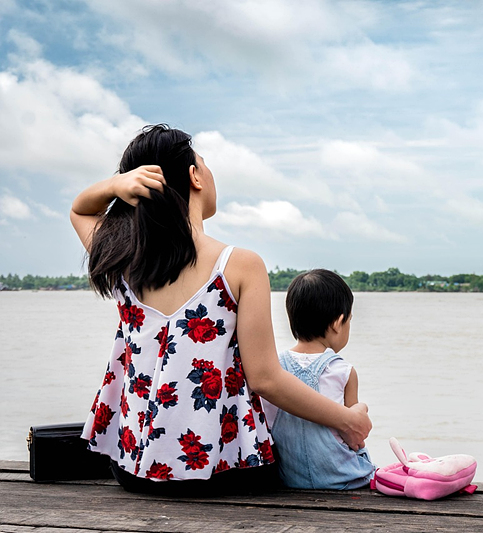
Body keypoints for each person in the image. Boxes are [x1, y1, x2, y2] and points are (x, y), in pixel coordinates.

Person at [69, 124, 371, 495]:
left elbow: (79, 211)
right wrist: (348, 420)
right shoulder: (239, 264)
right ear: (195, 176)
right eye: (205, 164)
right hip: (224, 473)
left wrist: (115, 186)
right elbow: (265, 379)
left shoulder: (121, 260)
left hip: (133, 469)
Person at [263, 269, 375, 489]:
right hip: (343, 479)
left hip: (288, 479)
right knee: (359, 410)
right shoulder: (343, 371)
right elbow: (356, 438)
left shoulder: (273, 369)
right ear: (338, 322)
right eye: (349, 320)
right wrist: (361, 409)